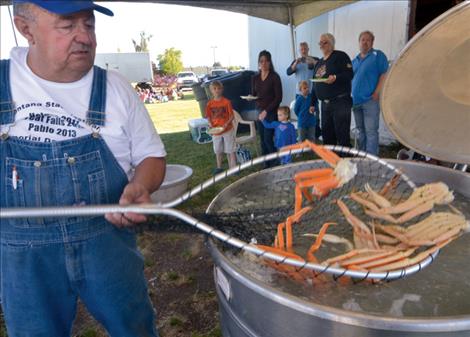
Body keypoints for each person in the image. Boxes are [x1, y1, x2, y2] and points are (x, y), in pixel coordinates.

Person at [0, 1, 166, 336]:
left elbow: (152, 157)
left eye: (88, 25)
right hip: (24, 258)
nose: (84, 37)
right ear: (26, 28)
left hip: (107, 243)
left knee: (134, 329)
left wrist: (141, 185)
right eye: (67, 25)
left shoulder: (116, 88)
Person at [311, 33, 353, 147]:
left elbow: (349, 74)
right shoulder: (319, 63)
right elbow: (315, 84)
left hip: (340, 103)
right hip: (324, 105)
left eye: (325, 42)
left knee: (342, 136)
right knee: (327, 136)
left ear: (332, 43)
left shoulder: (340, 56)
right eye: (320, 43)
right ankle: (331, 162)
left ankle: (346, 163)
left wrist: (335, 78)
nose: (322, 45)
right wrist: (312, 103)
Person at [352, 30, 389, 156]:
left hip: (370, 101)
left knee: (371, 131)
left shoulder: (377, 55)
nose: (365, 42)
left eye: (368, 40)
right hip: (356, 102)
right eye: (363, 40)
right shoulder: (355, 60)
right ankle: (362, 156)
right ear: (359, 42)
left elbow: (384, 73)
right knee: (361, 131)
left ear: (372, 42)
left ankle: (371, 159)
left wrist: (377, 92)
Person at [252, 50, 283, 167]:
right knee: (262, 140)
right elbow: (254, 94)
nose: (263, 63)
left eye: (266, 61)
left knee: (268, 139)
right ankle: (266, 163)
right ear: (259, 62)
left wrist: (266, 111)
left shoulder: (275, 77)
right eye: (261, 61)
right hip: (259, 112)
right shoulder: (255, 77)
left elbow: (278, 98)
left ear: (270, 62)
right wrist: (251, 97)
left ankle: (275, 163)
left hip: (270, 112)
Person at [286, 42, 321, 139]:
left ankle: (315, 135)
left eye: (305, 49)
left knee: (315, 114)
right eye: (301, 49)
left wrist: (313, 62)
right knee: (301, 115)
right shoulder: (296, 61)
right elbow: (288, 72)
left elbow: (321, 67)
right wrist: (295, 64)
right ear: (299, 51)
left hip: (312, 93)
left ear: (308, 49)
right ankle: (302, 135)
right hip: (299, 94)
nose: (304, 51)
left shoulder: (314, 59)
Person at [205, 80, 237, 173]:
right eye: (214, 89)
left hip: (227, 130)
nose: (217, 90)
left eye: (219, 88)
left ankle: (233, 168)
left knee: (230, 149)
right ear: (211, 90)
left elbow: (231, 116)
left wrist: (226, 123)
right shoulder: (210, 104)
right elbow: (208, 116)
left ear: (222, 89)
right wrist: (210, 123)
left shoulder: (227, 102)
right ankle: (219, 167)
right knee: (218, 149)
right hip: (215, 131)